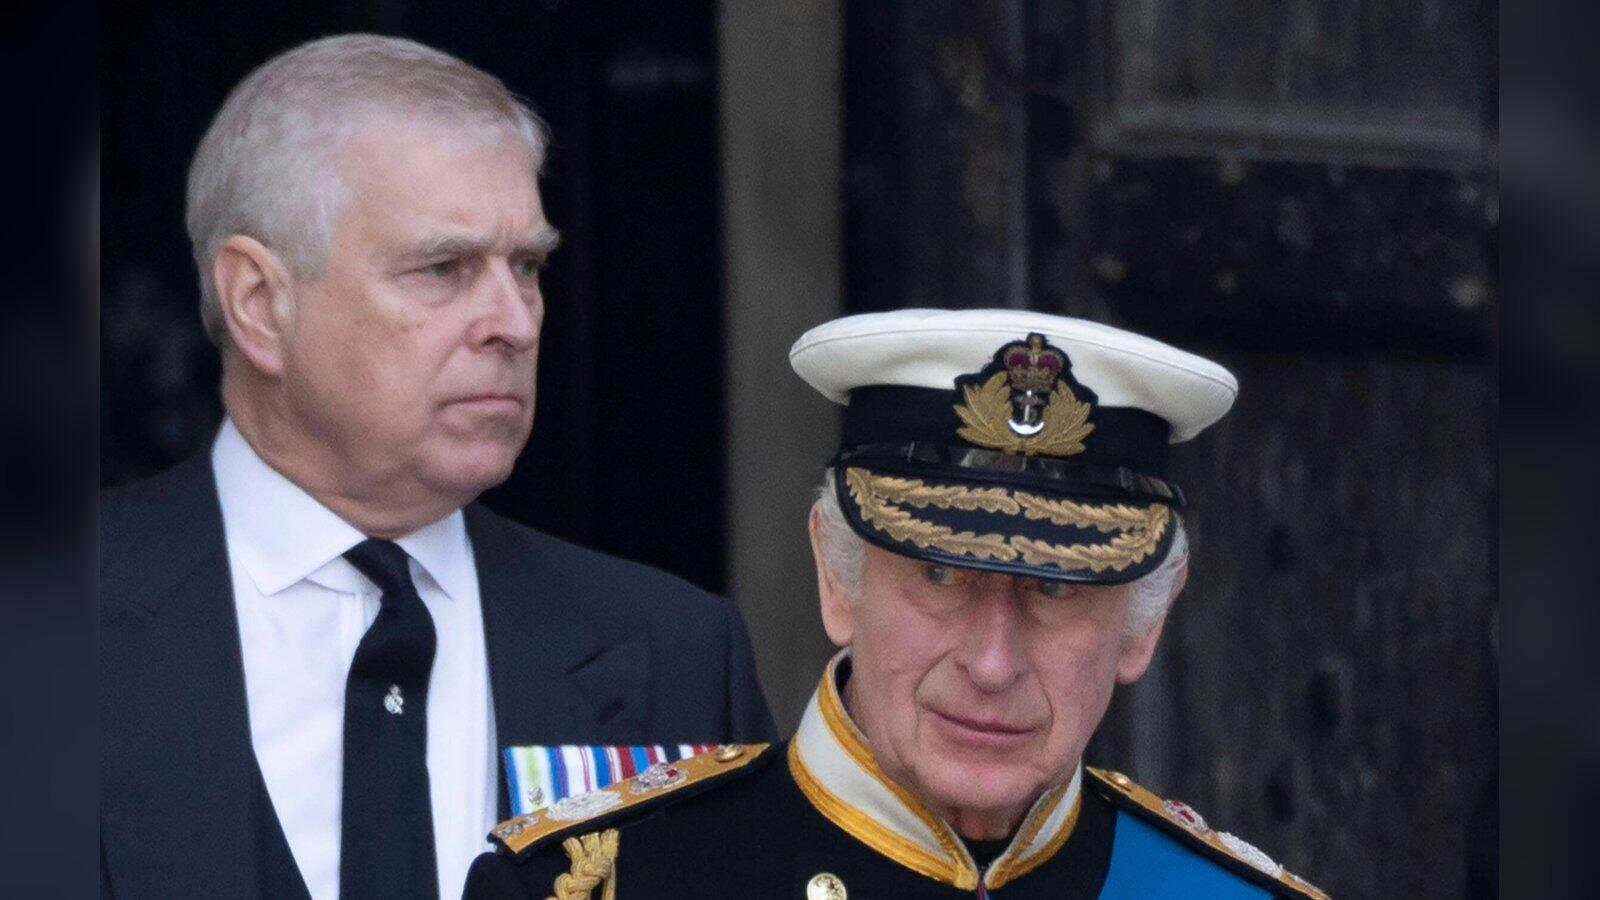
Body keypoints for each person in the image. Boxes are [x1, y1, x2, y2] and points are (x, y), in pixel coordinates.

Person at [99, 35, 774, 900]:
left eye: (527, 267)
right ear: (260, 304)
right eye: (443, 268)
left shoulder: (675, 655)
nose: (516, 323)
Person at [462, 308, 1328, 898]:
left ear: (1146, 621)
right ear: (835, 578)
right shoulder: (602, 882)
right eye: (939, 579)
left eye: (1056, 590)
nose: (992, 664)